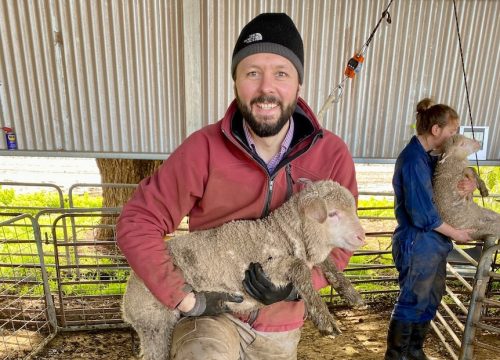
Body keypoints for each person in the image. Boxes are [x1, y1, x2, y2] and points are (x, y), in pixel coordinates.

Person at [116, 12, 358, 360]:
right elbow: (138, 220)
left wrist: (294, 289)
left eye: (281, 73)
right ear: (236, 82)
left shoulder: (331, 153)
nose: (266, 88)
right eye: (252, 73)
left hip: (280, 326)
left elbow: (342, 241)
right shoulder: (204, 148)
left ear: (298, 84)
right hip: (213, 313)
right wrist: (186, 298)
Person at [384, 98, 476, 360]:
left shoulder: (428, 158)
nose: (454, 137)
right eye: (451, 131)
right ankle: (397, 355)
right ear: (436, 130)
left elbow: (448, 178)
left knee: (430, 298)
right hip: (417, 240)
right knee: (412, 300)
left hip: (433, 244)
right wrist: (457, 233)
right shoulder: (413, 160)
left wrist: (467, 180)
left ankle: (414, 350)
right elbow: (422, 214)